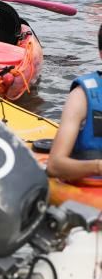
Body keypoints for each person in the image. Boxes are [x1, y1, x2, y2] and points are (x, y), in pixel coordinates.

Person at [47, 25, 102, 182]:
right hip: (92, 187)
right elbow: (54, 165)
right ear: (101, 54)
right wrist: (98, 166)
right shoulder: (81, 96)